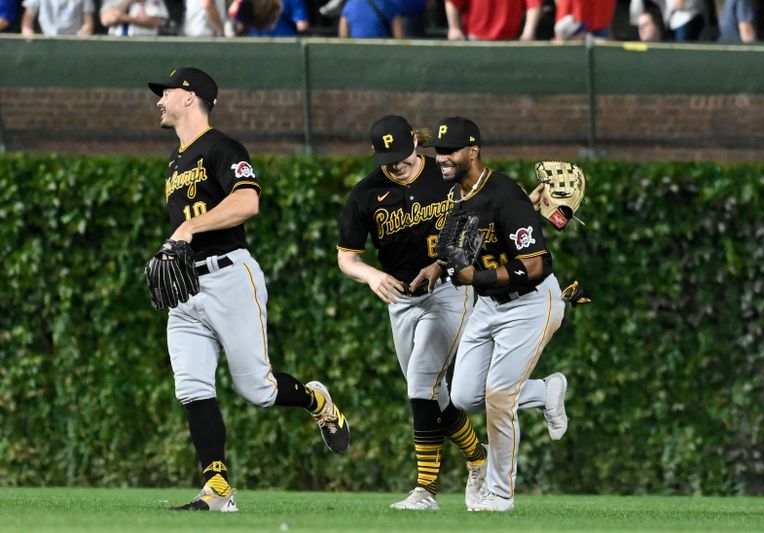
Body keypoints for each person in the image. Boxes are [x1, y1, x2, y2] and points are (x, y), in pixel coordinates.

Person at [147, 67, 350, 512]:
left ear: (188, 96)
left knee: (257, 390)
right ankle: (217, 489)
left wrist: (188, 227)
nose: (158, 100)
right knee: (192, 387)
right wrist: (176, 244)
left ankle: (317, 400)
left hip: (229, 277)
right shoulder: (175, 162)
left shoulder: (223, 147)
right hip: (187, 286)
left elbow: (247, 201)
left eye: (165, 92)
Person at [336, 115, 488, 511]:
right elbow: (346, 258)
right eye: (388, 156)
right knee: (432, 396)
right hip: (401, 300)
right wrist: (370, 276)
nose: (397, 162)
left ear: (416, 145)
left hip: (449, 291)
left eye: (403, 153)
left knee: (421, 383)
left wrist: (447, 264)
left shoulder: (446, 175)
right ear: (375, 153)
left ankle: (425, 491)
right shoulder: (365, 194)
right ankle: (479, 458)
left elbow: (480, 216)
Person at [426, 116, 568, 512]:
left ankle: (500, 494)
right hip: (490, 304)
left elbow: (537, 265)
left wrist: (477, 275)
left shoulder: (505, 194)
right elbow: (461, 252)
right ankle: (545, 391)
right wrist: (440, 267)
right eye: (439, 151)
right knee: (464, 395)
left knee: (499, 398)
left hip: (531, 302)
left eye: (450, 150)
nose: (442, 158)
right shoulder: (461, 195)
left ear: (474, 151)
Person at [444, 0, 542, 41]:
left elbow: (534, 4)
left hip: (510, 41)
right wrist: (454, 28)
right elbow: (452, 2)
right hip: (475, 40)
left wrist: (528, 32)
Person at [21, 0, 94, 36]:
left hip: (74, 42)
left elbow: (88, 20)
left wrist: (85, 32)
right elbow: (29, 15)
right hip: (46, 41)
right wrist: (27, 30)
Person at [100, 0, 169, 36]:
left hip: (145, 41)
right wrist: (129, 1)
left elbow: (157, 21)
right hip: (117, 41)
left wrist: (125, 18)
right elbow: (106, 20)